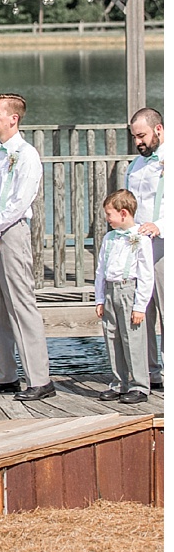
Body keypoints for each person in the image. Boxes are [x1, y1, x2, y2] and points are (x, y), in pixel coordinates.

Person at [0, 93, 52, 402]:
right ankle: (5, 376)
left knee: (21, 305)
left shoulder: (27, 154)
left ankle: (40, 379)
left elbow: (20, 201)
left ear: (12, 118)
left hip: (11, 233)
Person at [94, 189, 155, 405]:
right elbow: (101, 270)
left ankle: (140, 385)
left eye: (109, 215)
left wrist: (140, 306)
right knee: (112, 336)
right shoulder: (109, 238)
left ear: (123, 213)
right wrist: (100, 298)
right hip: (111, 291)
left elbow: (146, 275)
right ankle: (119, 382)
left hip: (130, 290)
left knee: (133, 339)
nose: (107, 219)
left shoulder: (142, 238)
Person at [124, 107, 164, 391]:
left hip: (164, 243)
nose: (138, 142)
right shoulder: (134, 165)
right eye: (135, 137)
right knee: (143, 309)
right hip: (139, 246)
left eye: (142, 136)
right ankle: (151, 372)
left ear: (158, 130)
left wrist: (160, 225)